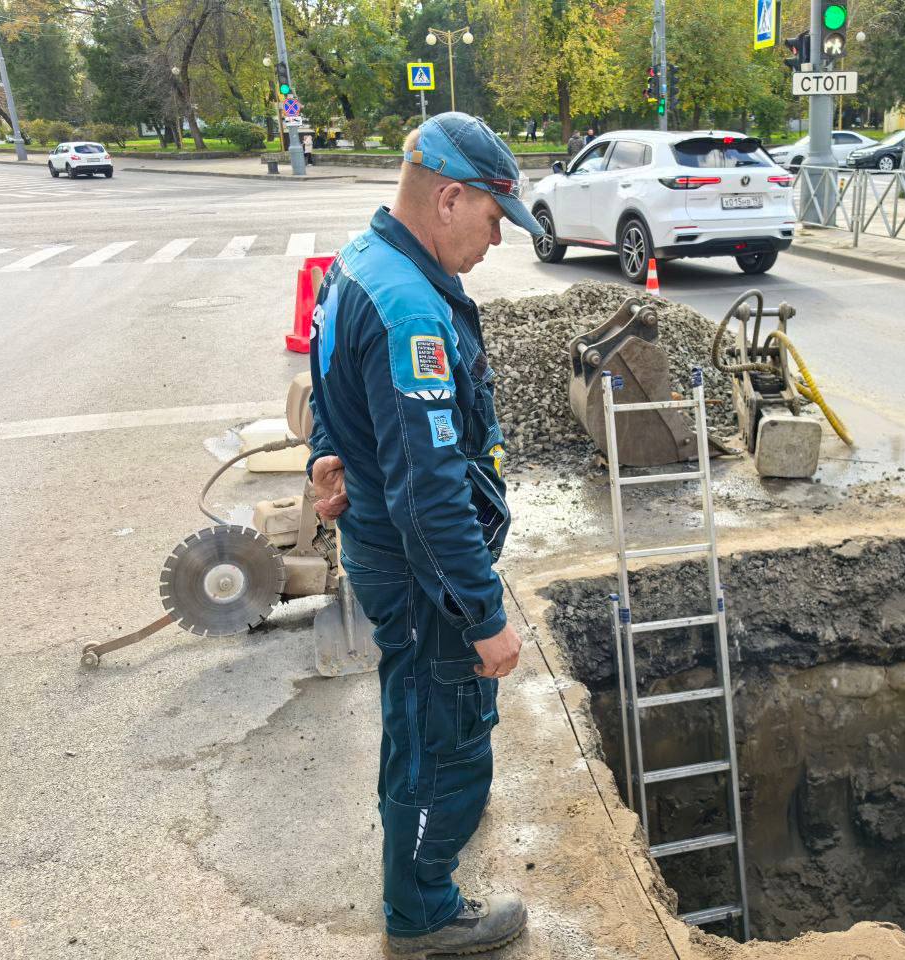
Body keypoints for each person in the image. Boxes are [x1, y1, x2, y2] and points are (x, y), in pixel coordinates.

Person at [305, 112, 545, 959]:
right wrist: (484, 617)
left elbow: (326, 380)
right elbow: (430, 495)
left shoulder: (360, 266)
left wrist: (325, 455)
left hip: (387, 551)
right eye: (492, 219)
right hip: (422, 572)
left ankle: (418, 856)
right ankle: (423, 913)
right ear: (449, 198)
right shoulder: (410, 310)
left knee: (417, 714)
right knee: (444, 733)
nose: (498, 242)